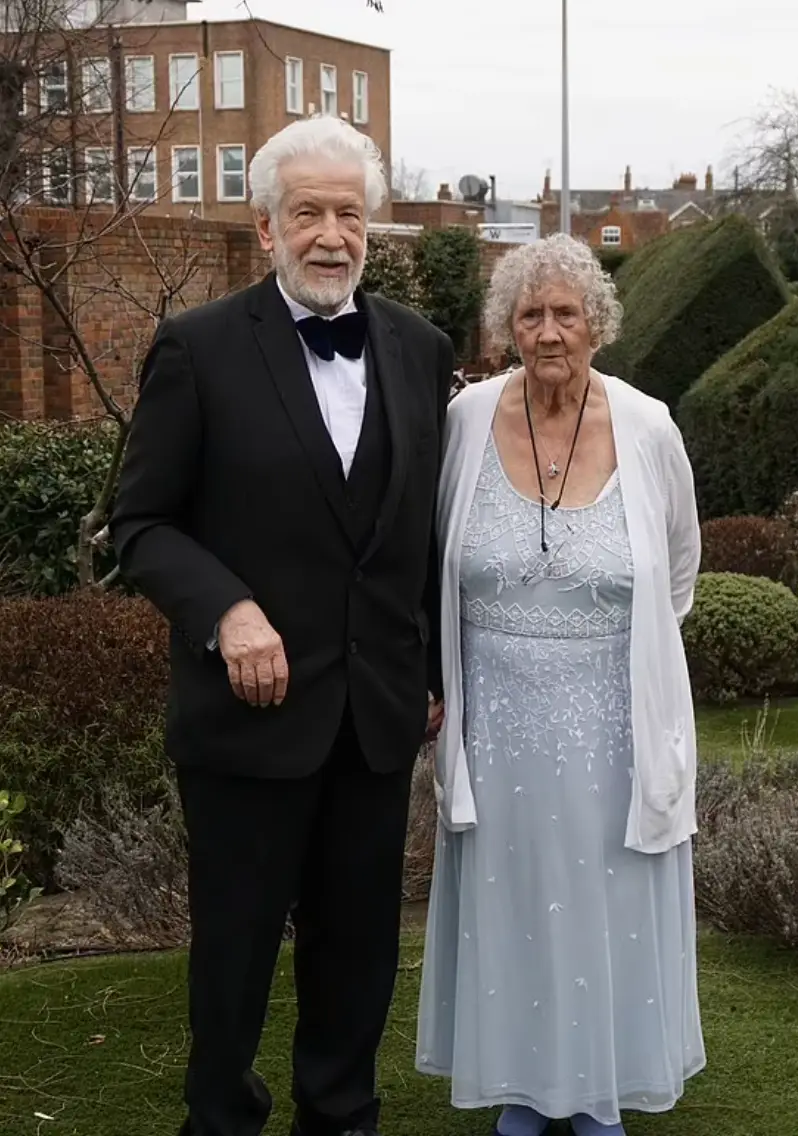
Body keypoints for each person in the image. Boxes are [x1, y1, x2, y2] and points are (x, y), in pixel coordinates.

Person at [110, 115, 453, 1136]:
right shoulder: (198, 348)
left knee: (359, 949)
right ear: (266, 227)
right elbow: (140, 524)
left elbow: (424, 534)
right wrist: (226, 609)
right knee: (235, 950)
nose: (330, 235)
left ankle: (340, 1115)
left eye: (349, 213)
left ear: (371, 225)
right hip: (246, 718)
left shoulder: (420, 349)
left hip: (376, 714)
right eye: (307, 213)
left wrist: (431, 667)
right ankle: (220, 1117)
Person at [416, 233, 706, 1136]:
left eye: (566, 314)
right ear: (507, 327)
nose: (548, 332)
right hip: (495, 722)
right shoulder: (464, 421)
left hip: (613, 720)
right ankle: (522, 1087)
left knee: (606, 899)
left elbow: (679, 570)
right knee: (511, 900)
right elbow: (429, 557)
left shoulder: (649, 426)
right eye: (530, 314)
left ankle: (594, 1093)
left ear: (597, 325)